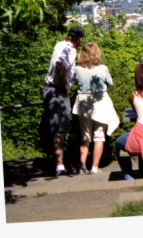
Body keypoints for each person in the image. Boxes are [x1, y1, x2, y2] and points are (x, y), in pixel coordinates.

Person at [42, 26, 84, 176]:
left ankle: (59, 164)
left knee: (57, 129)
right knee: (61, 129)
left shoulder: (59, 44)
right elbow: (60, 64)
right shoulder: (70, 50)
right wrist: (66, 85)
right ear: (79, 39)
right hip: (57, 90)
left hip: (50, 89)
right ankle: (59, 165)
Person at [72, 41, 119, 174]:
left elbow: (75, 83)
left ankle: (82, 166)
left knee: (85, 136)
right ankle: (94, 167)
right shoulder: (103, 68)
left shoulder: (77, 69)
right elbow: (110, 83)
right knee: (99, 136)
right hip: (100, 102)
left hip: (83, 102)